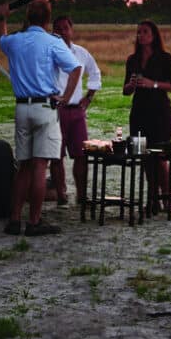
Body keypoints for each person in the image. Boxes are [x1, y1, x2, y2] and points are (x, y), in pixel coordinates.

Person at [0, 0, 82, 237]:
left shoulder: (15, 40)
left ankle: (14, 219)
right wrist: (65, 97)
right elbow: (75, 68)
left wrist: (2, 17)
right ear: (47, 18)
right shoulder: (52, 42)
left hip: (22, 107)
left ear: (27, 17)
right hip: (45, 107)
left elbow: (0, 39)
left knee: (23, 165)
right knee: (39, 165)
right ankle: (34, 221)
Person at [123, 19, 171, 213]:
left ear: (154, 35)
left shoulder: (165, 58)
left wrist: (153, 83)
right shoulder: (133, 60)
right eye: (139, 32)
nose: (141, 35)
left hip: (160, 114)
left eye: (145, 32)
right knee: (145, 157)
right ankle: (152, 198)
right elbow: (125, 90)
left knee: (160, 156)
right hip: (139, 114)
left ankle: (166, 198)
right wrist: (131, 85)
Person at [48, 14, 101, 207]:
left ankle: (81, 194)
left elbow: (95, 73)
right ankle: (61, 193)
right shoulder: (49, 54)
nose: (61, 32)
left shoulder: (81, 53)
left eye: (65, 28)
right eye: (57, 29)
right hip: (56, 111)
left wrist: (89, 97)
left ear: (72, 30)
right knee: (56, 155)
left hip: (76, 111)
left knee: (81, 154)